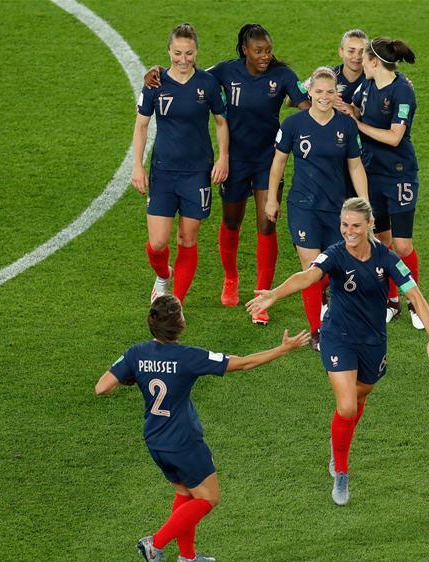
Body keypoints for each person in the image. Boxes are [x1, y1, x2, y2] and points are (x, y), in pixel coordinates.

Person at [247, 198, 429, 505]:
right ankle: (341, 471)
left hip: (373, 341)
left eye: (355, 225)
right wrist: (274, 293)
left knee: (360, 397)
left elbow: (416, 296)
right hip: (337, 337)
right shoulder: (335, 254)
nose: (349, 232)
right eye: (344, 225)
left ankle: (338, 440)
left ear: (370, 226)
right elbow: (308, 276)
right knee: (347, 406)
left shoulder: (387, 258)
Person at [95, 295, 310, 562]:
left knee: (185, 492)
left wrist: (134, 376)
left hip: (155, 440)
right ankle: (155, 544)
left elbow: (102, 388)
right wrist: (282, 349)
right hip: (183, 440)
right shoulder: (189, 357)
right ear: (180, 324)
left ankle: (187, 558)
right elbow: (242, 364)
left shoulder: (136, 354)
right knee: (209, 498)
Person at [144, 24, 310, 324]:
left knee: (267, 223)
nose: (265, 56)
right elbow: (187, 72)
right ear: (244, 50)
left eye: (268, 50)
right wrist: (156, 70)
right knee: (231, 220)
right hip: (234, 161)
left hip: (268, 161)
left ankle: (261, 297)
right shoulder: (224, 72)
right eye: (258, 51)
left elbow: (306, 105)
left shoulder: (282, 75)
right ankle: (230, 278)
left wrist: (317, 101)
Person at [265, 67, 369, 351]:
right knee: (311, 270)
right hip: (303, 207)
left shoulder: (346, 126)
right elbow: (278, 164)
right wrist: (272, 199)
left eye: (330, 92)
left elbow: (356, 166)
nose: (324, 97)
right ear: (309, 92)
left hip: (336, 209)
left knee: (332, 271)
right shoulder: (293, 125)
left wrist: (365, 204)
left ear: (337, 93)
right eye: (319, 92)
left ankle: (331, 309)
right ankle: (317, 331)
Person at [131, 23, 229, 305]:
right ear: (168, 52)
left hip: (197, 173)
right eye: (177, 53)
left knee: (187, 239)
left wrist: (223, 157)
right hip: (163, 171)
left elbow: (221, 122)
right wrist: (137, 165)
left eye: (188, 53)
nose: (183, 60)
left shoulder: (207, 84)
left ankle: (176, 303)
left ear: (196, 51)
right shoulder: (154, 83)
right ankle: (163, 276)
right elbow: (141, 126)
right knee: (158, 243)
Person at [347, 37, 424, 328]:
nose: (359, 64)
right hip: (372, 173)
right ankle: (391, 302)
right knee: (382, 242)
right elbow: (355, 108)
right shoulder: (366, 85)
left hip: (400, 174)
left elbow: (394, 137)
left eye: (364, 60)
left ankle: (414, 303)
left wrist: (358, 126)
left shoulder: (403, 91)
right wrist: (341, 108)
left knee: (402, 246)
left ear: (375, 62)